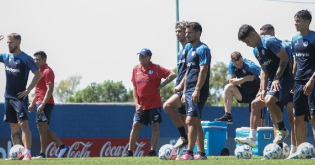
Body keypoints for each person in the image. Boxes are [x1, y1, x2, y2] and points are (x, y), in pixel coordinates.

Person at [235, 24, 294, 148]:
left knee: (269, 101)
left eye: (247, 41)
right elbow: (264, 69)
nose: (247, 44)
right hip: (273, 82)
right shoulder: (255, 50)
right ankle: (252, 138)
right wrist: (262, 89)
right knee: (255, 104)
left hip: (285, 79)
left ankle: (283, 130)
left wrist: (277, 79)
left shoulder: (269, 41)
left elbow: (284, 58)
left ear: (253, 34)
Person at [124, 48, 176, 157]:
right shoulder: (136, 69)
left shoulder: (156, 69)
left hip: (154, 105)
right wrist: (137, 104)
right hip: (141, 105)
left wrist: (162, 85)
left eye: (143, 56)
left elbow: (172, 74)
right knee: (136, 125)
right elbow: (134, 87)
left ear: (149, 58)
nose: (140, 59)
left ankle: (152, 151)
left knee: (155, 127)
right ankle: (130, 151)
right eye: (140, 56)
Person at [0, 33, 41, 160]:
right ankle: (17, 154)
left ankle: (27, 153)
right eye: (7, 42)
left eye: (10, 42)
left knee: (23, 124)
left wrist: (28, 90)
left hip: (20, 97)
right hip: (8, 97)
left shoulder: (25, 58)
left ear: (18, 43)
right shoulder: (6, 56)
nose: (8, 44)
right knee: (13, 127)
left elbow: (37, 74)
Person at [260, 24, 297, 154]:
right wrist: (263, 88)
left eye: (265, 33)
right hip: (273, 85)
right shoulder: (262, 49)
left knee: (292, 117)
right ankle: (278, 150)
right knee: (275, 116)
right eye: (261, 33)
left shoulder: (284, 45)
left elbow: (291, 63)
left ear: (272, 32)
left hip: (286, 84)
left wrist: (292, 81)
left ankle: (293, 149)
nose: (262, 36)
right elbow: (264, 70)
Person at [177, 22, 211, 160]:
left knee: (190, 120)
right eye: (186, 33)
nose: (187, 35)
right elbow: (187, 72)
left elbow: (203, 70)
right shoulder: (189, 50)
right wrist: (185, 91)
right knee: (196, 122)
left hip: (199, 90)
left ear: (198, 33)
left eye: (189, 33)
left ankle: (189, 153)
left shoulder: (203, 49)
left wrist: (197, 90)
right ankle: (201, 154)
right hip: (189, 90)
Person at [28, 51, 69, 159]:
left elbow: (49, 89)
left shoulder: (47, 71)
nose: (35, 61)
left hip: (45, 104)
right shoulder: (38, 72)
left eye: (38, 59)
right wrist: (32, 103)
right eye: (34, 59)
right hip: (40, 103)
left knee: (42, 129)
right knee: (43, 130)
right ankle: (61, 147)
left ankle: (44, 153)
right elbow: (38, 90)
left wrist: (43, 104)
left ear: (44, 60)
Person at [288, 10, 315, 159]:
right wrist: (293, 80)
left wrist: (311, 80)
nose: (295, 23)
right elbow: (296, 61)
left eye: (298, 21)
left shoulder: (314, 38)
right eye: (294, 20)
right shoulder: (294, 39)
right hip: (298, 82)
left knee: (313, 118)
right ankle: (300, 152)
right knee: (297, 118)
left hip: (312, 81)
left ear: (307, 22)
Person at [163, 21, 190, 149]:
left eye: (180, 31)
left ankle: (183, 136)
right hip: (180, 87)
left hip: (187, 89)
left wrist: (181, 86)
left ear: (186, 32)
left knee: (167, 106)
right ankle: (189, 151)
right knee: (185, 120)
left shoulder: (190, 48)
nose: (177, 34)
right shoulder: (181, 52)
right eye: (176, 32)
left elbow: (190, 70)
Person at [214, 51, 261, 124]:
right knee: (228, 87)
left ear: (242, 58)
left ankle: (263, 133)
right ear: (232, 61)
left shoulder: (250, 65)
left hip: (256, 94)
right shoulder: (231, 65)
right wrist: (245, 78)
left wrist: (263, 90)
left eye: (240, 63)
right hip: (245, 93)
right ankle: (228, 116)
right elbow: (231, 81)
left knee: (259, 121)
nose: (239, 65)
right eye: (237, 64)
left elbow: (264, 74)